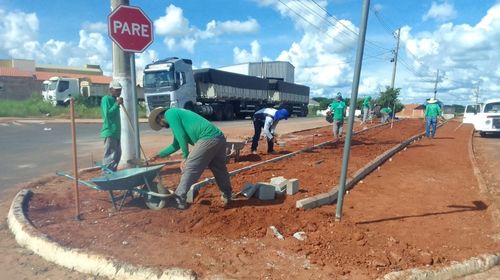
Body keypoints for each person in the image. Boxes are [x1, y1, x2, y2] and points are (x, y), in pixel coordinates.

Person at [149, 107, 233, 210]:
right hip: (218, 138)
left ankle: (179, 199)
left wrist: (185, 157)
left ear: (160, 118)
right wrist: (158, 155)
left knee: (190, 166)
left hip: (207, 137)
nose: (162, 126)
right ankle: (227, 195)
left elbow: (181, 136)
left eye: (159, 124)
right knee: (219, 169)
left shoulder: (169, 113)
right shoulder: (177, 114)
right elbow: (176, 144)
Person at [100, 80, 123, 172]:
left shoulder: (114, 100)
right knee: (110, 154)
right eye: (116, 90)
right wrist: (116, 104)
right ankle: (107, 174)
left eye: (120, 90)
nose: (119, 92)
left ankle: (113, 172)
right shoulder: (106, 99)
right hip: (110, 131)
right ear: (111, 89)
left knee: (117, 154)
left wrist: (117, 103)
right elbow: (107, 114)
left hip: (117, 132)